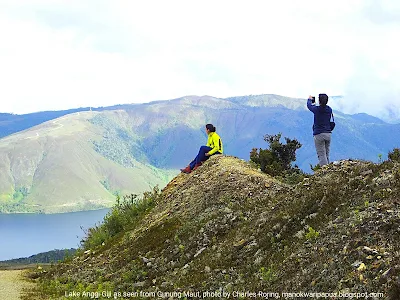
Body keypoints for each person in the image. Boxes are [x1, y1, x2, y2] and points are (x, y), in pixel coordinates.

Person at [307, 94, 333, 166]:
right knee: (326, 153)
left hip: (319, 134)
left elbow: (309, 106)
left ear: (319, 101)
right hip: (328, 133)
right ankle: (329, 169)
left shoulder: (317, 110)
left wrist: (309, 99)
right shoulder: (329, 109)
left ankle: (325, 171)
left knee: (321, 154)